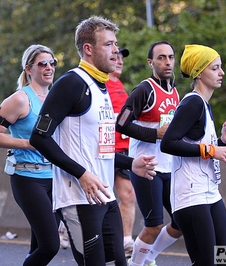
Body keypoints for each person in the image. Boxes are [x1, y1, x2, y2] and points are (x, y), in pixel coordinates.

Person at [30, 16, 158, 266]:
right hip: (79, 199)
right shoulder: (71, 83)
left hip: (106, 197)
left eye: (116, 44)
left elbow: (101, 150)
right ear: (88, 48)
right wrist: (82, 175)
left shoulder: (103, 87)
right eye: (108, 44)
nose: (116, 51)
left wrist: (132, 163)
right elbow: (39, 137)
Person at [0, 44, 61, 265]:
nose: (48, 67)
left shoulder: (55, 96)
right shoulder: (20, 99)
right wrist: (28, 143)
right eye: (42, 64)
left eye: (52, 63)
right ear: (29, 69)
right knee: (50, 246)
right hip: (28, 178)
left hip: (54, 177)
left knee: (38, 245)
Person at [161, 44, 226, 265]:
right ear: (199, 73)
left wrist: (221, 140)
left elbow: (198, 145)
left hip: (210, 192)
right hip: (191, 197)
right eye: (215, 68)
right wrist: (212, 149)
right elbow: (168, 143)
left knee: (224, 260)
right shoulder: (192, 102)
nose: (221, 72)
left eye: (220, 67)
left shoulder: (203, 104)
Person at [116, 41, 182, 266]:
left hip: (170, 167)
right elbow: (121, 124)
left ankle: (149, 257)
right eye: (161, 57)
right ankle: (135, 264)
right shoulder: (144, 90)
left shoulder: (174, 91)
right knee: (153, 225)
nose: (167, 62)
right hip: (147, 168)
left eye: (171, 57)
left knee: (181, 221)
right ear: (150, 62)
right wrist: (155, 134)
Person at [105, 47, 136, 258]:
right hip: (105, 150)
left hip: (123, 149)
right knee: (99, 197)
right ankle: (65, 224)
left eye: (121, 57)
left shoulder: (120, 85)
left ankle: (126, 241)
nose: (119, 61)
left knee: (129, 195)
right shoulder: (101, 84)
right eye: (115, 57)